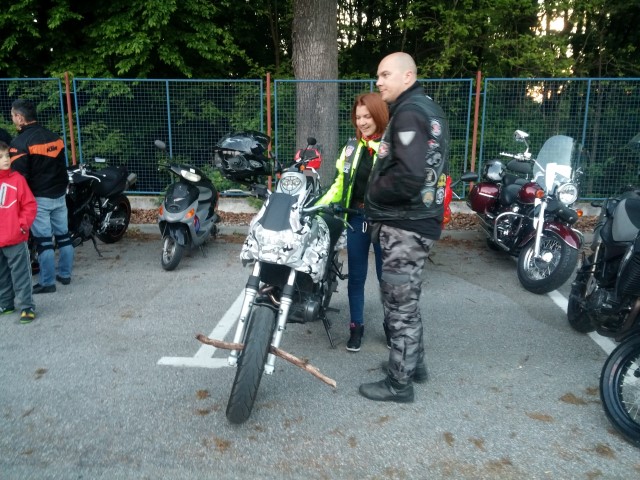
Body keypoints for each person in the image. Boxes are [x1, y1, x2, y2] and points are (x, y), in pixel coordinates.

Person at [359, 52, 450, 403]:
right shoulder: (428, 109)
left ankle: (399, 384)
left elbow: (408, 176)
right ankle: (415, 366)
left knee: (398, 306)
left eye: (385, 75)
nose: (378, 82)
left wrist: (374, 194)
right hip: (418, 221)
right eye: (378, 75)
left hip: (405, 224)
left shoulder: (410, 112)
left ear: (407, 76)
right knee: (406, 300)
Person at [317, 93, 389, 352]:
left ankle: (392, 325)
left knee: (386, 279)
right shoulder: (351, 148)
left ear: (379, 115)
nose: (362, 122)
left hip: (385, 222)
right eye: (358, 117)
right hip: (357, 218)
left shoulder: (393, 148)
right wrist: (320, 206)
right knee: (357, 277)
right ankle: (356, 327)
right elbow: (340, 183)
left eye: (367, 116)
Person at [9, 99, 74, 293]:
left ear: (20, 118)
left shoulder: (19, 144)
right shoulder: (55, 137)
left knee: (44, 242)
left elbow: (19, 179)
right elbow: (62, 168)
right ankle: (65, 275)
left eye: (13, 116)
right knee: (64, 237)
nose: (12, 119)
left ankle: (47, 283)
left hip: (38, 199)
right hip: (59, 195)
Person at [0, 141, 38, 323]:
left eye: (7, 155)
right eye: (0, 157)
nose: (5, 160)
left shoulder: (18, 180)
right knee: (2, 274)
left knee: (21, 273)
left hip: (15, 236)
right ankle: (6, 303)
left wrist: (21, 226)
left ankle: (26, 306)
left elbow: (30, 205)